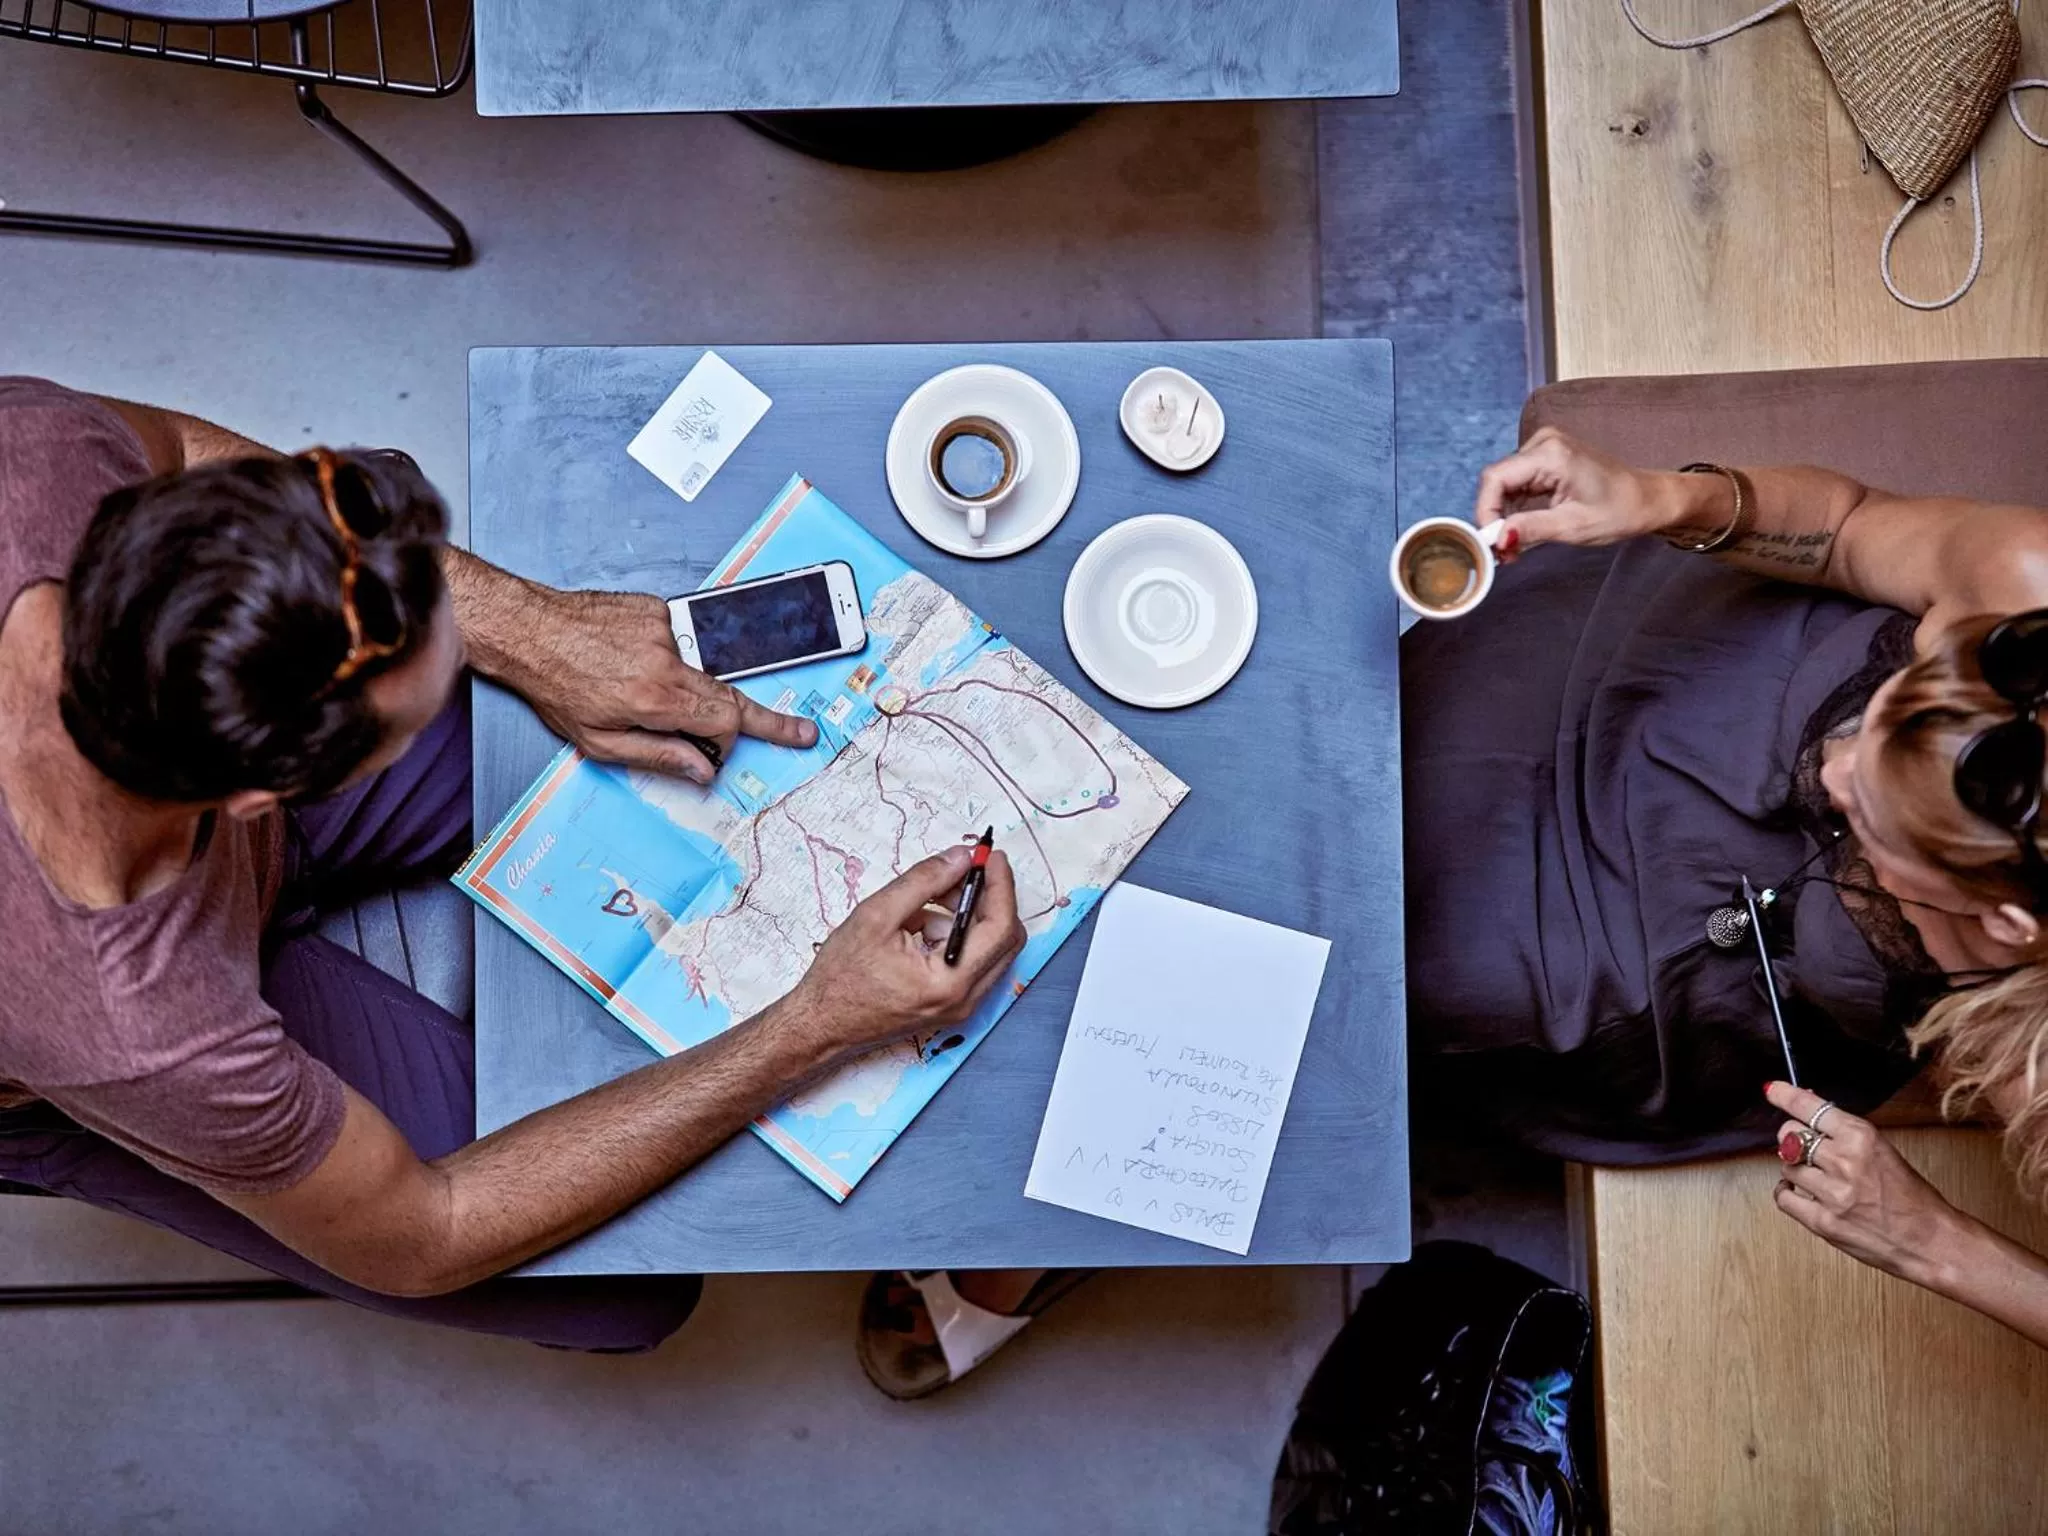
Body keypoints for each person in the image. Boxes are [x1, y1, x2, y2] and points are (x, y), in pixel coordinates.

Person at [860, 427, 2048, 1397]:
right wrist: (1656, 498)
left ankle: (1081, 1167)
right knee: (1324, 739)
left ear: (2002, 938)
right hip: (1647, 673)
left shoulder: (2027, 1039)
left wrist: (1932, 1242)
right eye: (1878, 712)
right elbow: (1843, 525)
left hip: (1650, 959)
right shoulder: (2027, 607)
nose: (1831, 772)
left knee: (1377, 977)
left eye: (1875, 829)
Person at [0, 376, 1025, 1349]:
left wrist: (530, 629)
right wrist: (816, 1024)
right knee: (630, 1284)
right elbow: (425, 1232)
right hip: (72, 1055)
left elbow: (176, 449)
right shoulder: (144, 1037)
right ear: (264, 793)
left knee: (656, 727)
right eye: (410, 693)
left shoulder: (33, 462)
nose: (455, 640)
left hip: (188, 847)